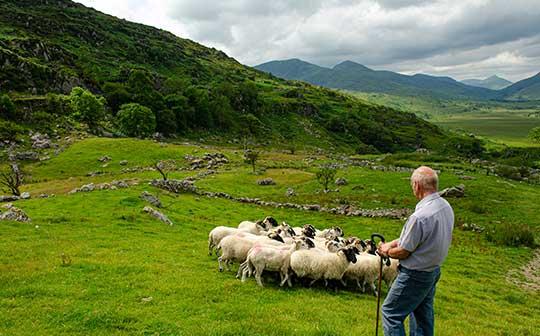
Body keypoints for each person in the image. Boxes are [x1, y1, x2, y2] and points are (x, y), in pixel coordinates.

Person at [377, 166, 454, 336]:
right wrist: (390, 243)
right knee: (422, 316)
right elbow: (416, 238)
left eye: (412, 184)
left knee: (391, 313)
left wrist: (386, 252)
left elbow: (404, 251)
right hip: (433, 271)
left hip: (414, 274)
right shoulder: (444, 206)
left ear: (417, 186)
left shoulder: (419, 217)